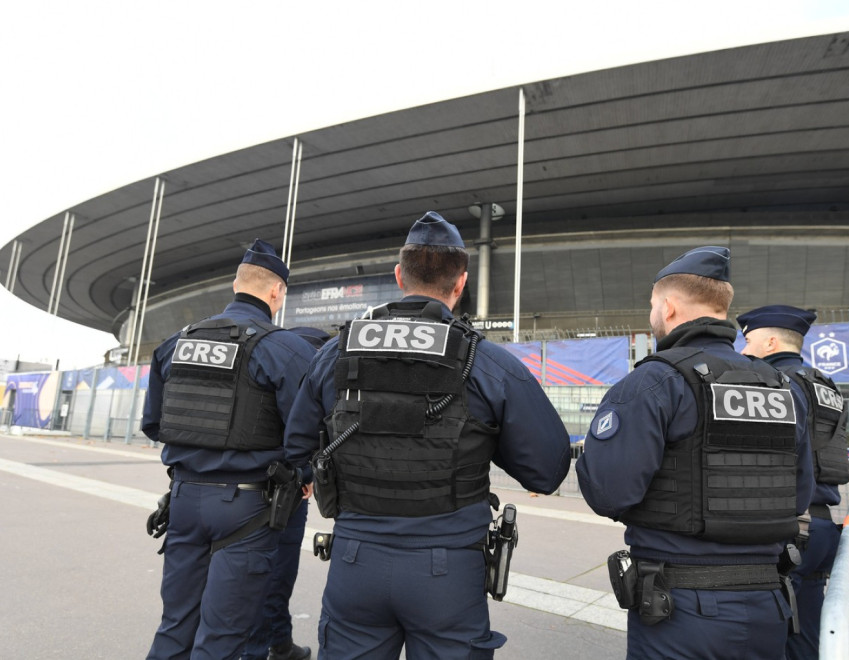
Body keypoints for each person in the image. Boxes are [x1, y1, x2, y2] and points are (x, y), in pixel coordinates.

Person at [283, 211, 572, 659]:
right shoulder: (486, 361)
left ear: (400, 276)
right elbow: (547, 470)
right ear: (460, 283)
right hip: (449, 572)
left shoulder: (334, 354)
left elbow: (296, 449)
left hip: (355, 561)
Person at [575, 246, 814, 660]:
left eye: (652, 305)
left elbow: (609, 492)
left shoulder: (655, 382)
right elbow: (800, 494)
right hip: (767, 605)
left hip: (680, 611)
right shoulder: (783, 387)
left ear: (668, 308)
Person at [141, 239, 317, 660]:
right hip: (249, 507)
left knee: (175, 626)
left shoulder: (175, 343)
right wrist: (305, 476)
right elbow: (306, 431)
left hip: (183, 499)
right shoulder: (285, 349)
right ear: (276, 292)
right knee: (223, 637)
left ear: (234, 284)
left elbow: (153, 425)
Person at [738, 304, 849, 659]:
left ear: (770, 342)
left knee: (762, 638)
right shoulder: (825, 385)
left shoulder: (776, 384)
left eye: (749, 340)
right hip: (821, 527)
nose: (743, 350)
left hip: (790, 529)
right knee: (805, 639)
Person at [242, 326, 331, 660]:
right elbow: (311, 430)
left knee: (253, 570)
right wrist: (308, 474)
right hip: (288, 486)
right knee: (275, 573)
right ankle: (259, 650)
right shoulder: (317, 363)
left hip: (243, 481)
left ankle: (279, 642)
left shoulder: (268, 355)